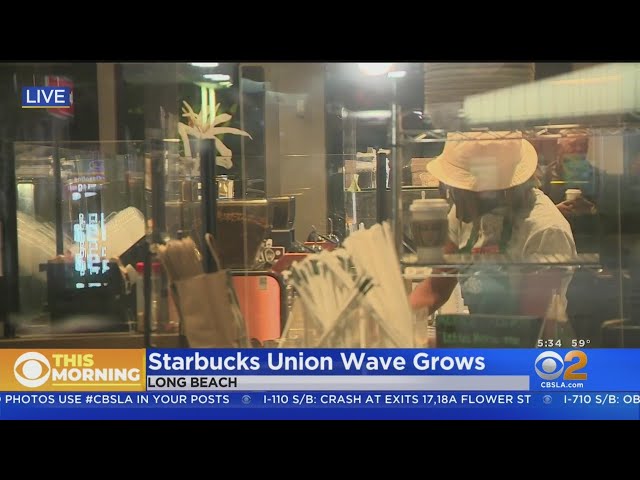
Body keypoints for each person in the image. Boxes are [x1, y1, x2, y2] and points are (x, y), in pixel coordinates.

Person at [409, 131, 577, 321]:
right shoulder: (466, 212)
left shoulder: (545, 230)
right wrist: (393, 320)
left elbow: (531, 325)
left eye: (457, 189)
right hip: (482, 334)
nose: (451, 197)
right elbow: (435, 289)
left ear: (489, 192)